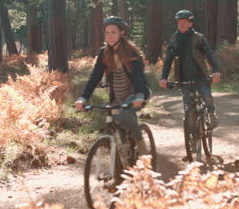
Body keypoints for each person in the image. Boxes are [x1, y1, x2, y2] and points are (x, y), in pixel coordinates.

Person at [75, 16, 150, 155]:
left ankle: (141, 146)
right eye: (107, 32)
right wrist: (83, 98)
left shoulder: (131, 51)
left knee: (126, 115)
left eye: (114, 32)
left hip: (135, 93)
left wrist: (139, 96)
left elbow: (138, 76)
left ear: (121, 32)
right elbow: (95, 77)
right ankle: (121, 156)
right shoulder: (104, 53)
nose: (110, 36)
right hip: (117, 97)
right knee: (115, 121)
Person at [159, 10, 221, 149]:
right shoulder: (174, 39)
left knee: (206, 95)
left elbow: (210, 55)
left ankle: (211, 114)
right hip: (183, 79)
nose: (181, 25)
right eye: (179, 23)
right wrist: (163, 77)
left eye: (184, 23)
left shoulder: (198, 38)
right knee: (188, 110)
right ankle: (193, 139)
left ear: (190, 24)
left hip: (200, 77)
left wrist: (216, 70)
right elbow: (168, 59)